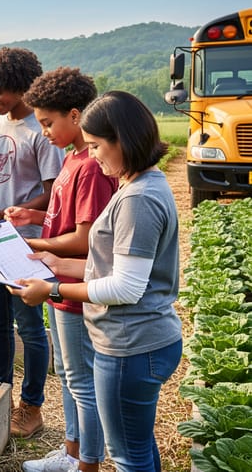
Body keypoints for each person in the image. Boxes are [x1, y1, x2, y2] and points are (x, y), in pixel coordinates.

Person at [11, 91, 183, 472]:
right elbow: (113, 266)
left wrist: (51, 289)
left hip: (131, 345)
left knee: (127, 457)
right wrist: (58, 263)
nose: (94, 155)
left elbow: (124, 287)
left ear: (122, 139)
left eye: (96, 146)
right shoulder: (142, 184)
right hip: (146, 340)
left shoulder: (138, 198)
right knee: (138, 446)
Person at [6, 68, 117, 472]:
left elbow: (85, 240)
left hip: (75, 285)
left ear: (75, 115)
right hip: (58, 280)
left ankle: (86, 462)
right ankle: (71, 452)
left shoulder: (90, 165)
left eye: (49, 123)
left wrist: (32, 243)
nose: (45, 132)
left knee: (82, 381)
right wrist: (30, 215)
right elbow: (63, 218)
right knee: (67, 374)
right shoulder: (72, 158)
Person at [0, 47, 62, 438]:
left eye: (0, 88)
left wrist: (2, 214)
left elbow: (52, 193)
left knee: (30, 327)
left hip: (26, 243)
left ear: (23, 86)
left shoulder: (42, 130)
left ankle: (31, 406)